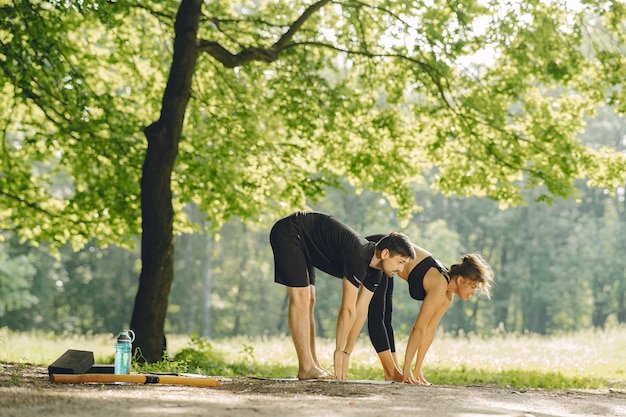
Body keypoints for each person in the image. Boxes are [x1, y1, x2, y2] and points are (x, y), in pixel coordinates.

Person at [269, 211, 415, 380]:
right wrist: (338, 349)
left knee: (309, 300)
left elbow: (360, 311)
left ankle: (313, 365)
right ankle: (306, 367)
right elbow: (347, 309)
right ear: (385, 254)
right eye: (400, 262)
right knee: (301, 297)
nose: (401, 270)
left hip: (306, 244)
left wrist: (347, 351)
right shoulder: (359, 256)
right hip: (290, 232)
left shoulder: (376, 271)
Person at [344, 234, 493, 384]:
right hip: (382, 252)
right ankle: (393, 372)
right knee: (378, 315)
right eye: (473, 286)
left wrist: (417, 369)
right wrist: (407, 368)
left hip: (390, 263)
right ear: (460, 280)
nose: (473, 292)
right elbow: (418, 328)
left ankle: (395, 372)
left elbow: (429, 330)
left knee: (386, 316)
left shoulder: (447, 296)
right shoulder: (439, 285)